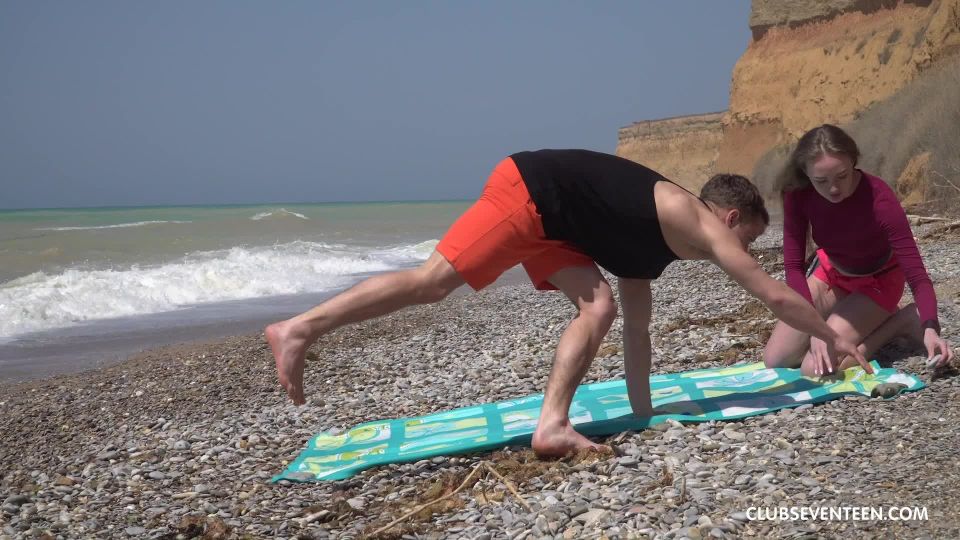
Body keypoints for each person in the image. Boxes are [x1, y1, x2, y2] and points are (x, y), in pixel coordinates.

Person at [267, 149, 865, 457]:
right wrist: (836, 336)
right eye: (750, 238)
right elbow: (772, 294)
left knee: (599, 308)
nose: (746, 252)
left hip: (555, 226)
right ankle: (300, 327)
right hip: (529, 192)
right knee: (432, 283)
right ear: (730, 218)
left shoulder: (654, 249)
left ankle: (551, 425)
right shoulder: (696, 221)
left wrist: (644, 414)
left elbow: (638, 332)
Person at [763, 124, 953, 377]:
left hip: (879, 281)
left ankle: (900, 322)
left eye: (842, 176)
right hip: (832, 274)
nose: (833, 189)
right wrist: (816, 327)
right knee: (776, 359)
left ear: (853, 161)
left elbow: (917, 275)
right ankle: (847, 319)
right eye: (821, 180)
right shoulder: (798, 196)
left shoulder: (879, 199)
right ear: (805, 173)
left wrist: (930, 327)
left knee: (814, 369)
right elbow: (794, 267)